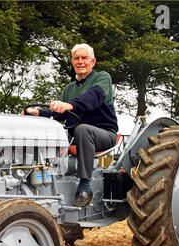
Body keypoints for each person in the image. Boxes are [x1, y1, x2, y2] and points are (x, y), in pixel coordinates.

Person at [23, 43, 118, 207]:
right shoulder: (70, 88)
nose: (80, 61)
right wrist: (37, 113)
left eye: (84, 58)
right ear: (73, 62)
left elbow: (94, 97)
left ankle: (85, 185)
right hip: (75, 137)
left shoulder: (102, 78)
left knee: (82, 129)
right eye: (76, 58)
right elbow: (59, 115)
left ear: (93, 61)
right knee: (49, 132)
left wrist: (69, 105)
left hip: (104, 134)